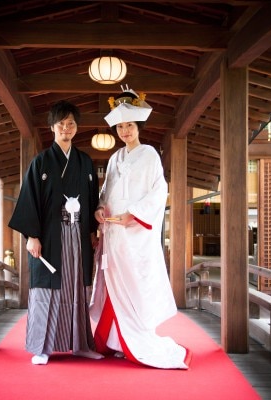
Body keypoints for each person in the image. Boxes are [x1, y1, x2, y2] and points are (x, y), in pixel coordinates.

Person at [90, 86, 190, 369]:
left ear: (138, 127)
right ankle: (115, 341)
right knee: (112, 286)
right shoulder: (114, 159)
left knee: (134, 287)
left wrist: (132, 215)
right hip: (113, 234)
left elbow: (159, 192)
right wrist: (99, 208)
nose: (125, 131)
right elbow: (106, 191)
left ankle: (134, 340)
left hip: (135, 235)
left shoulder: (149, 155)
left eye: (129, 125)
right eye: (120, 126)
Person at [9, 100, 103, 365]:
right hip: (49, 236)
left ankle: (80, 344)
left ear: (76, 128)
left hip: (78, 235)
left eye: (71, 123)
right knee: (47, 289)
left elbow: (93, 199)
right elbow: (29, 199)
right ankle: (42, 347)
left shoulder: (84, 162)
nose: (66, 128)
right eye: (61, 124)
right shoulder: (41, 162)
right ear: (52, 127)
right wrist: (32, 236)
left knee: (76, 288)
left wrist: (92, 232)